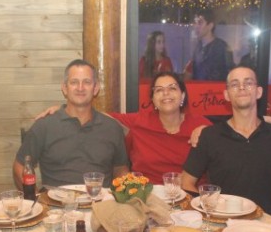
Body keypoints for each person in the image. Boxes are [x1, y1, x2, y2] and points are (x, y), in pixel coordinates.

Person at [182, 66, 271, 223]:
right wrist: (210, 213)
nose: (242, 87)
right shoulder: (209, 136)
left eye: (248, 83)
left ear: (259, 92)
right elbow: (186, 182)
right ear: (226, 95)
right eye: (235, 84)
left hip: (269, 222)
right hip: (225, 223)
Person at [34, 72, 212, 185]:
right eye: (159, 90)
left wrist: (206, 130)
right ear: (153, 99)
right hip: (146, 196)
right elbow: (101, 115)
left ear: (182, 95)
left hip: (188, 196)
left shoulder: (200, 125)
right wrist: (67, 109)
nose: (165, 93)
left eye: (172, 88)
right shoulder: (139, 122)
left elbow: (221, 139)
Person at [13, 59, 130, 188]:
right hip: (54, 199)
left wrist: (121, 194)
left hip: (100, 199)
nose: (80, 88)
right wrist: (34, 197)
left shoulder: (112, 128)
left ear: (95, 88)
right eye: (74, 82)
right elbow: (19, 167)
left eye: (87, 82)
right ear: (64, 88)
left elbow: (120, 169)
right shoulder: (44, 126)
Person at [184, 9, 234, 82]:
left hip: (217, 88)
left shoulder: (222, 48)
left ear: (210, 26)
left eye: (200, 23)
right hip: (198, 88)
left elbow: (231, 74)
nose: (196, 26)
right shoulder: (198, 48)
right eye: (195, 22)